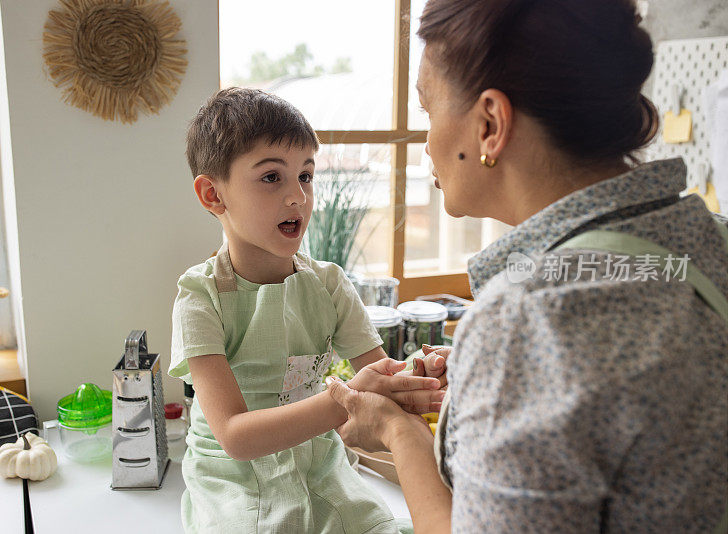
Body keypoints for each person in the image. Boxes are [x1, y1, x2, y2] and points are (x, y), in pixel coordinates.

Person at [327, 0, 728, 532]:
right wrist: (489, 382)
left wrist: (399, 434)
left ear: (490, 123)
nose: (426, 144)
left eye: (427, 111)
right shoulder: (706, 237)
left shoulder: (527, 325)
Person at [168, 87, 447, 533]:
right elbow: (235, 436)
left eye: (307, 175)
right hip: (234, 483)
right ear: (213, 195)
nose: (298, 196)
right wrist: (346, 401)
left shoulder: (329, 284)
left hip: (322, 468)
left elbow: (382, 375)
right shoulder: (200, 297)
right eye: (271, 177)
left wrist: (421, 372)